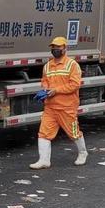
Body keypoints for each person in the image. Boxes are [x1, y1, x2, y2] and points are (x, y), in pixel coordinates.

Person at [30, 36, 88, 169]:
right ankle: (44, 160)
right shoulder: (47, 66)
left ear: (65, 48)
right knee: (44, 133)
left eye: (58, 47)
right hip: (50, 107)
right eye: (53, 47)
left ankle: (83, 153)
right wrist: (45, 89)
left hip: (67, 107)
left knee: (73, 133)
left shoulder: (72, 65)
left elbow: (74, 85)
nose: (55, 50)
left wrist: (55, 90)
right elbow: (45, 80)